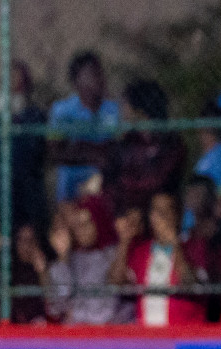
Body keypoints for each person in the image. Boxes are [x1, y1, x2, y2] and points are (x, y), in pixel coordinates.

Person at [0, 59, 49, 231]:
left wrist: (16, 117)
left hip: (27, 186)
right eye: (7, 78)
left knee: (28, 229)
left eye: (18, 79)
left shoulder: (34, 115)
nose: (12, 84)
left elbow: (36, 150)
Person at [111, 193, 206, 326]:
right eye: (157, 211)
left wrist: (175, 246)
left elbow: (191, 285)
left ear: (178, 215)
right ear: (150, 217)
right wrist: (124, 242)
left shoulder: (194, 247)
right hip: (149, 338)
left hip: (184, 336)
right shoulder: (141, 251)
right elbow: (116, 283)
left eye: (167, 211)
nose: (162, 217)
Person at [47, 50, 122, 201]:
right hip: (72, 186)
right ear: (76, 80)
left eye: (99, 73)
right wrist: (92, 155)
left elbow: (118, 146)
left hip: (105, 184)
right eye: (91, 74)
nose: (99, 79)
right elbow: (55, 151)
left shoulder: (113, 109)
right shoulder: (62, 110)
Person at [107, 80, 185, 216]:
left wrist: (125, 186)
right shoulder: (127, 143)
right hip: (127, 212)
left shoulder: (170, 143)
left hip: (159, 211)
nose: (123, 110)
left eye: (126, 105)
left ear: (140, 109)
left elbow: (158, 182)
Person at [45, 197, 121, 325]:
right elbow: (58, 305)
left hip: (104, 334)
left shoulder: (112, 254)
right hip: (75, 336)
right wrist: (63, 258)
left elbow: (110, 307)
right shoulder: (70, 258)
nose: (81, 231)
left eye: (87, 224)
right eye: (77, 225)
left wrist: (75, 314)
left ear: (98, 222)